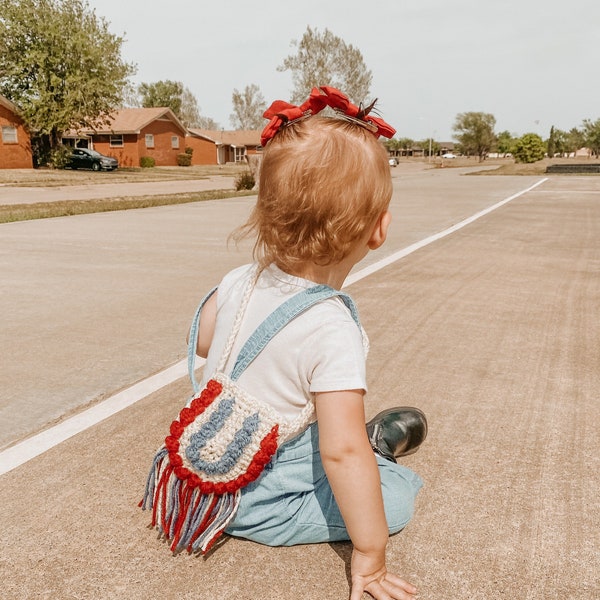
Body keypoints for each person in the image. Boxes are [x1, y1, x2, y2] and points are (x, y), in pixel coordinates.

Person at [194, 87, 427, 600]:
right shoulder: (331, 325)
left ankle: (361, 445)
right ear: (378, 230)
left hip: (206, 468)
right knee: (396, 497)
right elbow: (339, 452)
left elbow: (207, 342)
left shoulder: (239, 279)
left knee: (323, 434)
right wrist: (371, 553)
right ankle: (379, 450)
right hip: (264, 500)